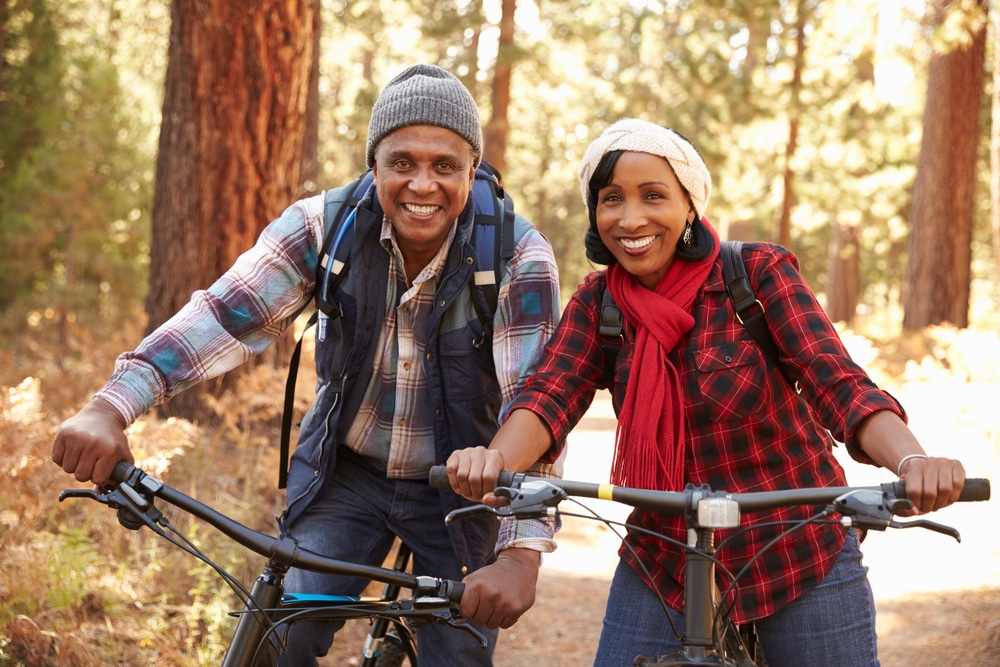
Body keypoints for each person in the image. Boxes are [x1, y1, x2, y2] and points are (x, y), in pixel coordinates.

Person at [50, 64, 562, 666]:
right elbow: (222, 316)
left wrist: (523, 552)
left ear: (471, 171)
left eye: (445, 165)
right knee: (281, 634)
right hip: (347, 474)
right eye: (402, 162)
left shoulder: (516, 253)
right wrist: (111, 405)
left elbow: (536, 400)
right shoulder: (324, 225)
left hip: (466, 488)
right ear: (374, 167)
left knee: (458, 654)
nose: (422, 183)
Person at [444, 118, 967, 667]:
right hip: (664, 557)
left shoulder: (757, 274)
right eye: (611, 199)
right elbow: (549, 397)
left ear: (689, 205)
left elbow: (836, 382)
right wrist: (496, 460)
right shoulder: (600, 303)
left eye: (654, 196)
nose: (630, 218)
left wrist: (912, 460)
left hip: (794, 548)